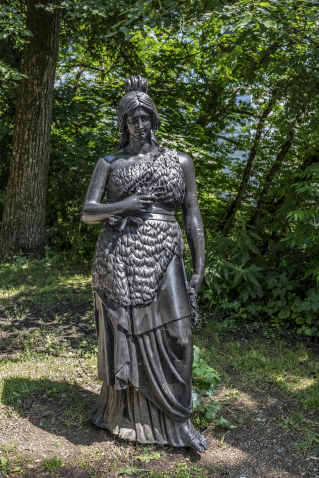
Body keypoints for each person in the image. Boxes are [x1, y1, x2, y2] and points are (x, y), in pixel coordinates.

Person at [81, 74, 207, 452]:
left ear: (154, 118)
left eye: (145, 117)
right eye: (132, 119)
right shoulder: (110, 162)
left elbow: (192, 215)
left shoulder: (179, 161)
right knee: (128, 334)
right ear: (123, 124)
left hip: (165, 252)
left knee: (180, 335)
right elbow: (88, 211)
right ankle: (124, 415)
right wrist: (123, 206)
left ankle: (176, 419)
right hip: (118, 257)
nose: (140, 124)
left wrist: (199, 268)